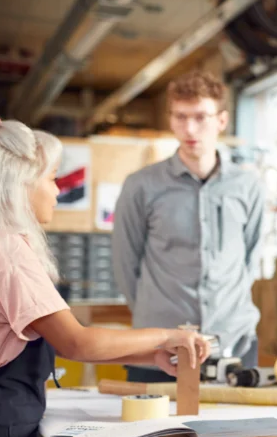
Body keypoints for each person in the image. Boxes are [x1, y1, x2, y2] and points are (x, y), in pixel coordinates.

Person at [0, 107, 210, 437]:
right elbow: (77, 341)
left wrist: (147, 356)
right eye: (51, 179)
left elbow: (55, 339)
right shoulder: (6, 251)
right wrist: (167, 335)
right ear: (19, 183)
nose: (57, 190)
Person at [113, 70, 265, 380]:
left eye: (200, 117)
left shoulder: (249, 185)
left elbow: (251, 256)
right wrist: (156, 319)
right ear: (170, 120)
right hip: (159, 351)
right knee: (154, 429)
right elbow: (125, 265)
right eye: (180, 117)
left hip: (233, 343)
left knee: (239, 430)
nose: (190, 128)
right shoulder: (141, 186)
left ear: (221, 121)